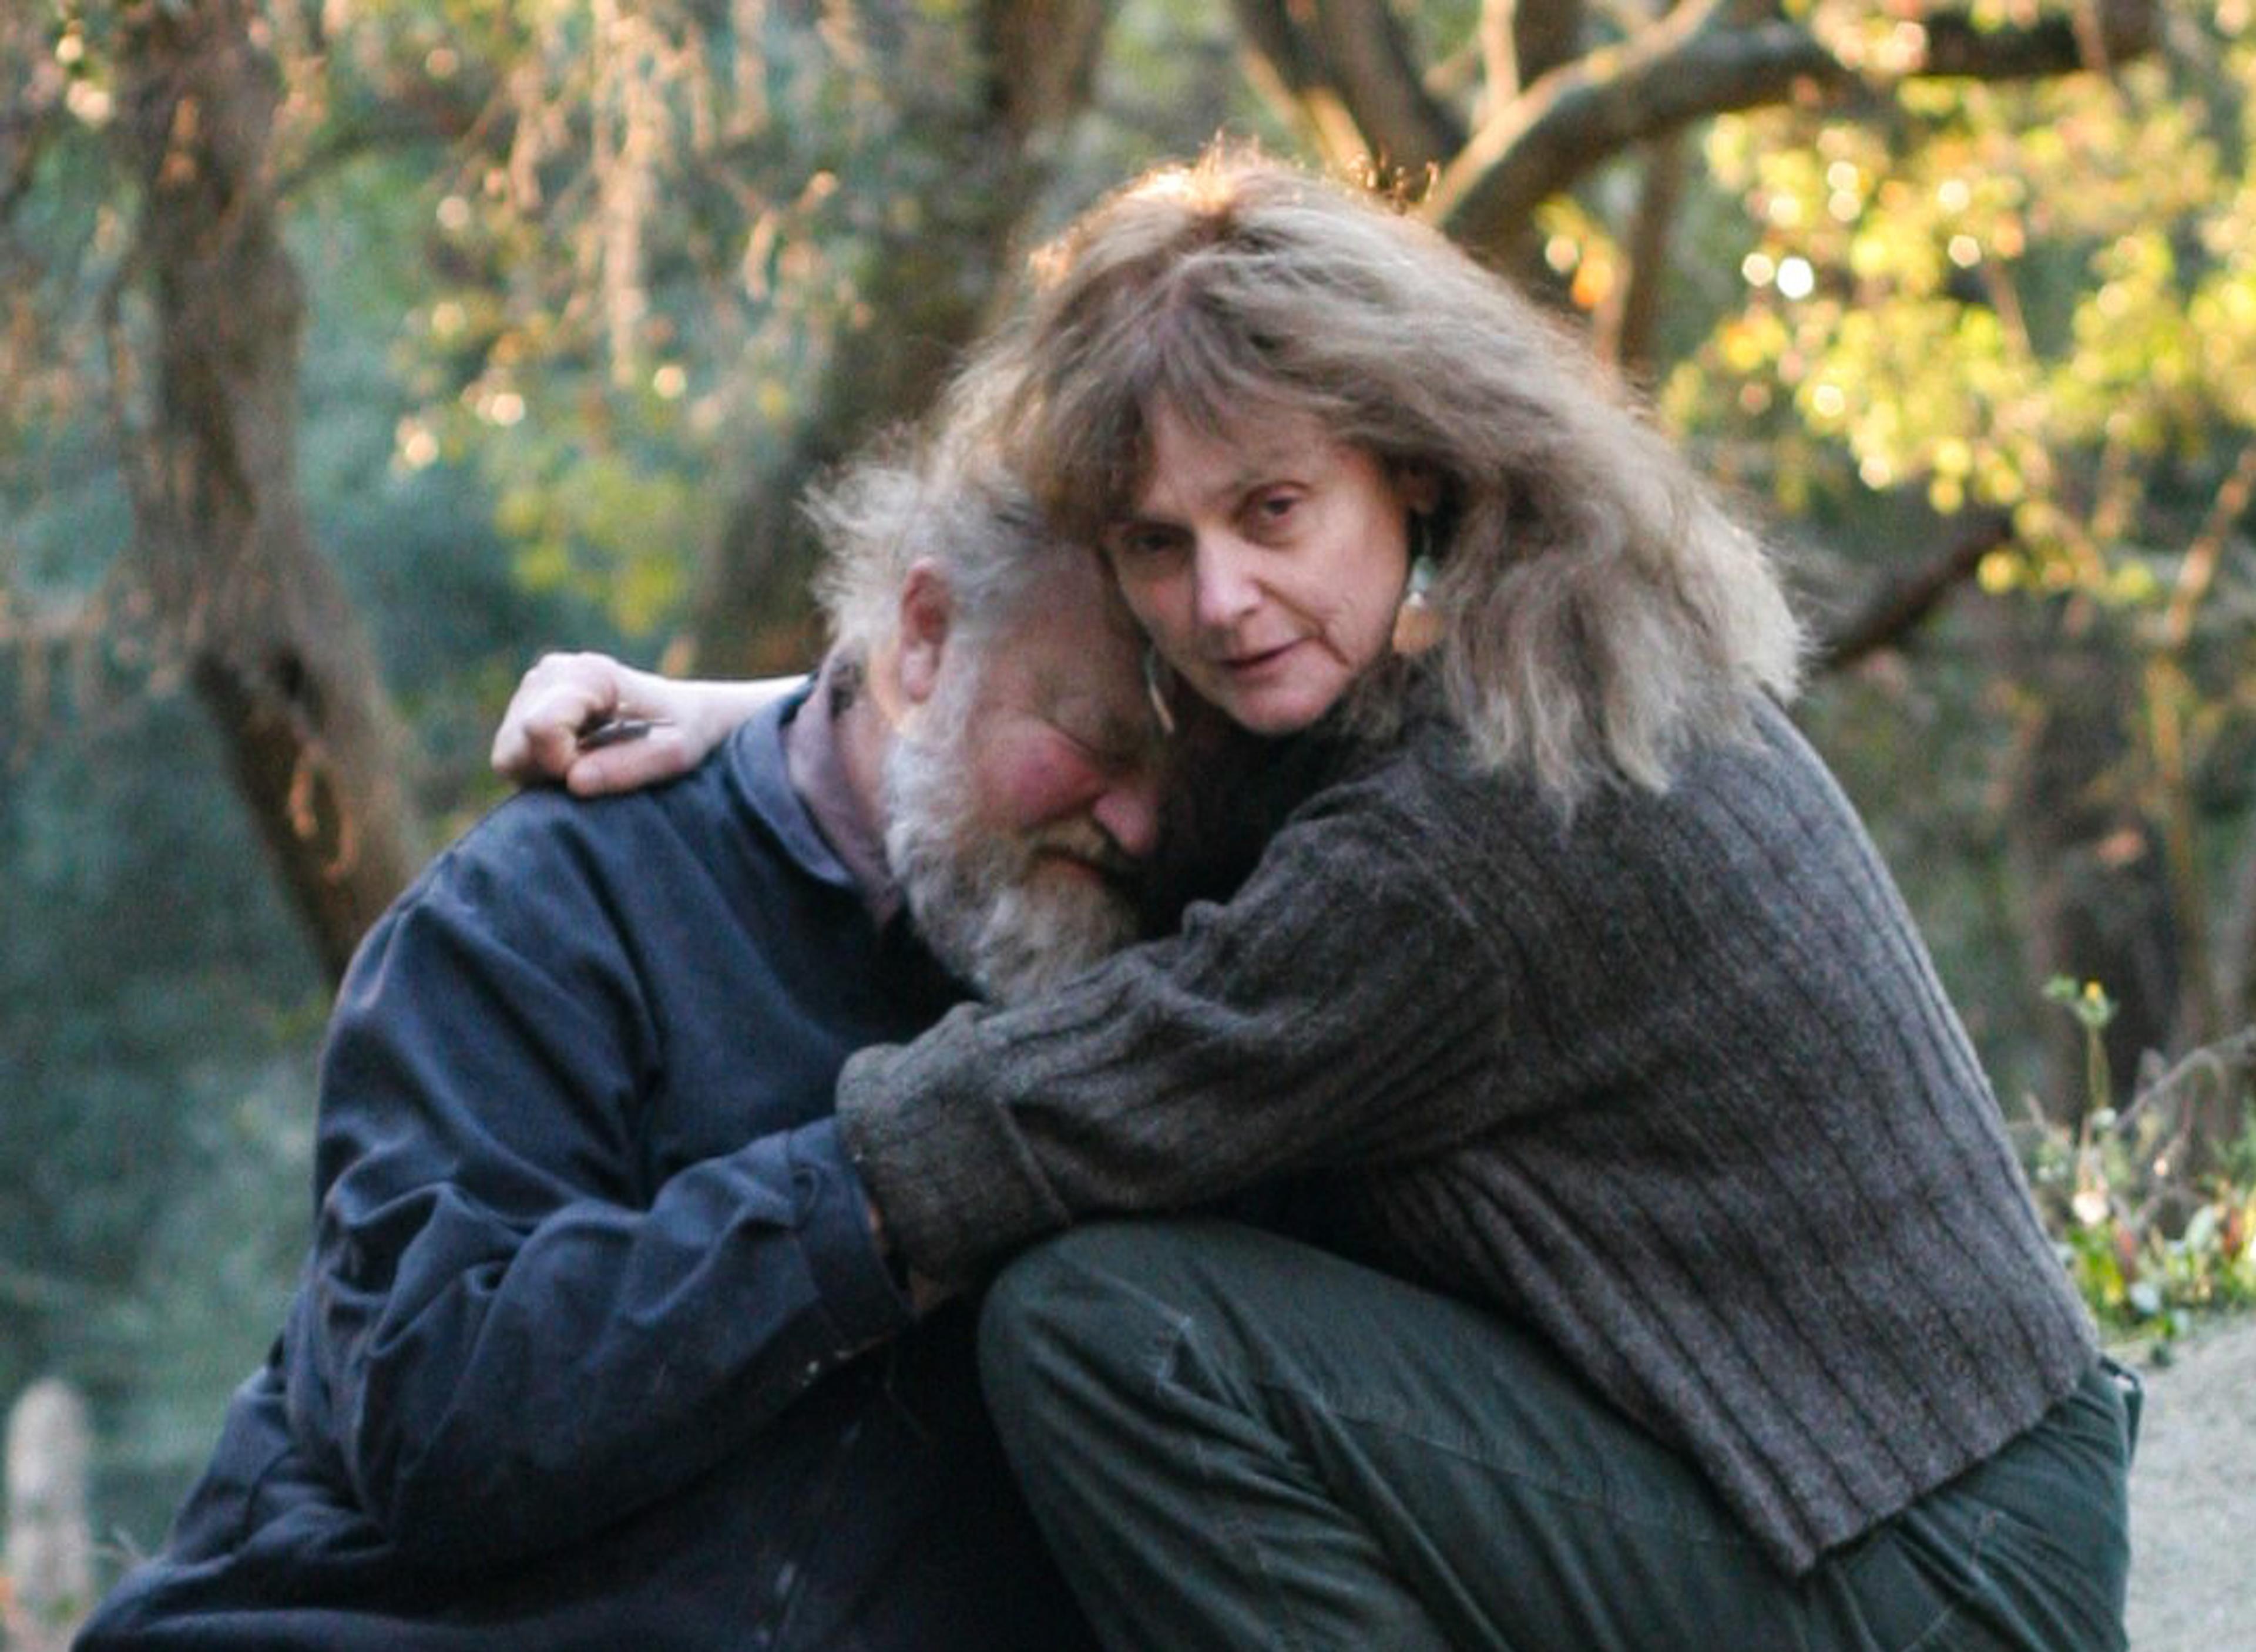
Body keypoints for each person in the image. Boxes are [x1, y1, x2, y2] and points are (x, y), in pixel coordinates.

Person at [510, 148, 2136, 1651]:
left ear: (1405, 470)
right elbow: (1186, 772)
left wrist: (657, 1287)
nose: (1218, 599)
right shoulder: (1494, 625)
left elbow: (1074, 1101)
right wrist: (785, 719)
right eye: (1158, 542)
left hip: (1944, 1576)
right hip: (1916, 1479)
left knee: (1105, 1331)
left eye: (1270, 510)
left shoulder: (1468, 830)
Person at [71, 450, 1164, 1651]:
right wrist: (880, 1200)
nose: (1142, 819)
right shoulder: (551, 900)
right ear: (923, 634)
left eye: (1191, 776)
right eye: (1091, 736)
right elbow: (436, 1414)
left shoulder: (1177, 975)